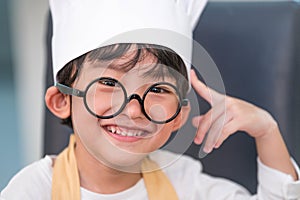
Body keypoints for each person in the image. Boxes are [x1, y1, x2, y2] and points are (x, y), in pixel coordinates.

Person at [1, 0, 300, 199]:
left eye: (157, 90)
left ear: (178, 116)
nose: (133, 110)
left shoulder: (184, 183)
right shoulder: (33, 191)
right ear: (61, 101)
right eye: (108, 82)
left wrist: (266, 130)